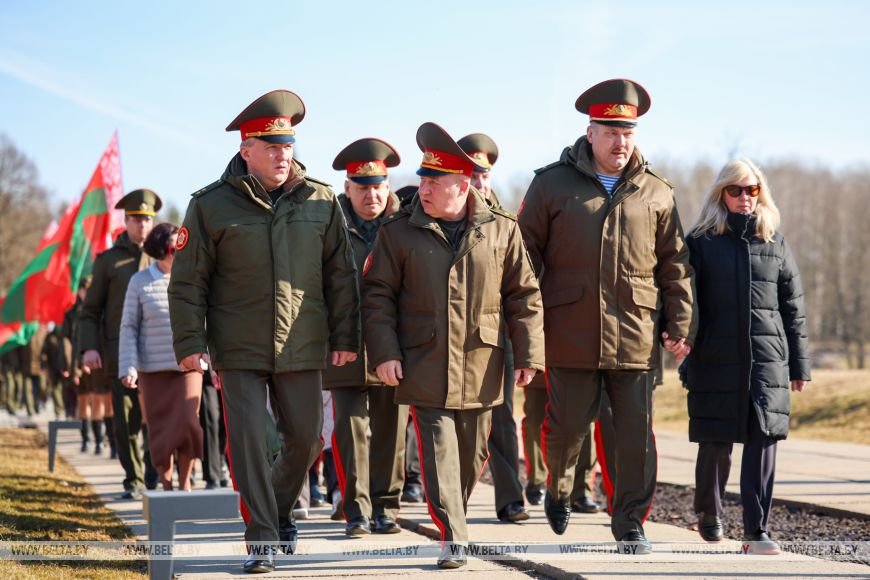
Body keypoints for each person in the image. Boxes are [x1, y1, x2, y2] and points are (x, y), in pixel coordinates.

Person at [168, 90, 360, 574]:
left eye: (287, 146)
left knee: (308, 438)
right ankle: (262, 539)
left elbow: (341, 276)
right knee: (250, 442)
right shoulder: (210, 205)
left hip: (302, 342)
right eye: (271, 147)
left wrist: (345, 337)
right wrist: (190, 343)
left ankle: (275, 509)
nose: (282, 155)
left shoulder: (320, 200)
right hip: (238, 346)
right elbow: (188, 282)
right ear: (246, 149)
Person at [518, 78, 696, 553]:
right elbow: (523, 260)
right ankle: (559, 487)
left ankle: (630, 522)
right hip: (569, 332)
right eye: (612, 132)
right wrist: (526, 327)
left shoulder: (656, 192)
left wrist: (680, 323)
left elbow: (675, 264)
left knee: (633, 437)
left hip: (635, 335)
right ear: (591, 132)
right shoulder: (551, 184)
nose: (621, 142)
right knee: (567, 428)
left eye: (628, 132)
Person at [362, 122, 545, 568]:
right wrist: (384, 352)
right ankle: (454, 536)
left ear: (462, 186)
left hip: (482, 362)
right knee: (439, 450)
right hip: (423, 361)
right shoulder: (398, 232)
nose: (422, 189)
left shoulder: (501, 230)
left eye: (434, 182)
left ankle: (453, 515)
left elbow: (524, 295)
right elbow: (377, 296)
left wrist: (529, 354)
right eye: (422, 180)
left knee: (471, 454)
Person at [683, 158, 810, 555]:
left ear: (761, 193)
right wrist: (682, 344)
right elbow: (684, 302)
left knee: (763, 442)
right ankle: (709, 513)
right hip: (715, 357)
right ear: (721, 194)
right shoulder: (700, 242)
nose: (744, 197)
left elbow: (793, 309)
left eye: (752, 189)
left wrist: (799, 364)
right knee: (715, 440)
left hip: (767, 361)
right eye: (735, 190)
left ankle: (757, 529)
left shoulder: (775, 242)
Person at [325, 138, 407, 536]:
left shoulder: (406, 225)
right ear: (347, 188)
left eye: (378, 186)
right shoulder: (329, 226)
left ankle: (385, 507)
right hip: (345, 344)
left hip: (394, 344)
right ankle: (355, 509)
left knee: (392, 430)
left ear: (388, 186)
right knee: (350, 429)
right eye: (362, 187)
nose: (371, 194)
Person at [457, 132, 529, 523]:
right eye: (472, 175)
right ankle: (453, 497)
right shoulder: (446, 217)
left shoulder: (506, 224)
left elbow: (521, 290)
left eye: (484, 176)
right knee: (460, 425)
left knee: (502, 418)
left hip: (498, 337)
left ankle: (510, 498)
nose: (480, 183)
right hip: (455, 337)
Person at [119, 223, 203, 491]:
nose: (179, 253)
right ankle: (167, 485)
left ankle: (185, 483)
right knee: (161, 431)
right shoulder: (139, 281)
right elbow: (129, 326)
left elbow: (208, 320)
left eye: (183, 247)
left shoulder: (194, 278)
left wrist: (212, 360)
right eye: (174, 249)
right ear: (160, 250)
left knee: (189, 423)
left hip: (188, 367)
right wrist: (129, 367)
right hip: (153, 371)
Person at [520, 373, 601, 513]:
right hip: (540, 368)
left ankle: (582, 492)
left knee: (584, 420)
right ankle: (537, 479)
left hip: (580, 366)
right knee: (534, 420)